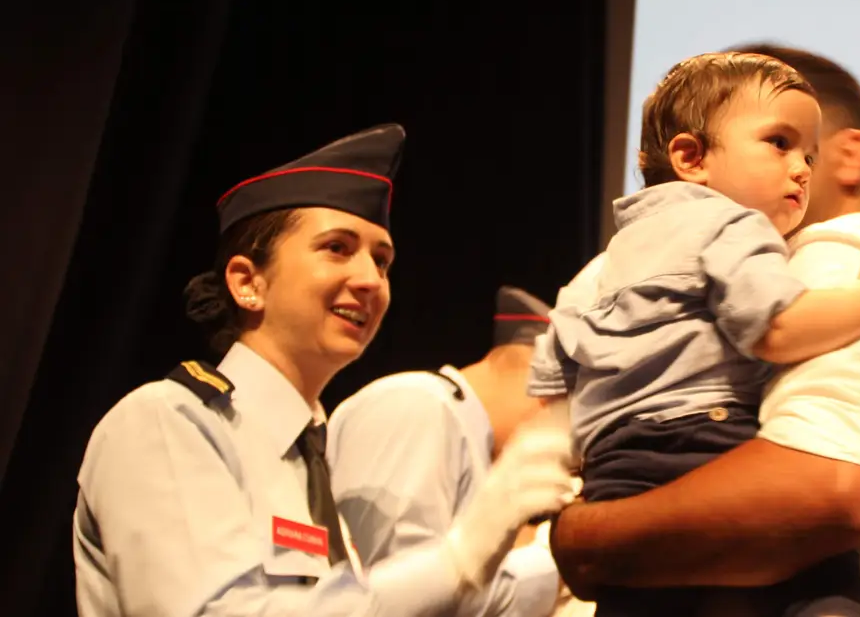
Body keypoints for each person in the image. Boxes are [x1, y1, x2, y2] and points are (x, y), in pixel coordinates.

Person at [545, 44, 860, 617]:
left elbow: (829, 491)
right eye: (777, 143)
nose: (798, 169)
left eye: (806, 152)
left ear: (849, 155)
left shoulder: (841, 259)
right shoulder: (697, 263)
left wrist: (584, 538)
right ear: (692, 158)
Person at [72, 124, 576, 617]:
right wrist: (458, 557)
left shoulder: (311, 458)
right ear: (248, 283)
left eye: (382, 261)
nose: (370, 280)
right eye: (337, 248)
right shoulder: (167, 423)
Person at [327, 285, 590, 617]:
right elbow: (408, 602)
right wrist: (556, 554)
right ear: (546, 390)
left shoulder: (467, 437)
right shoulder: (416, 403)